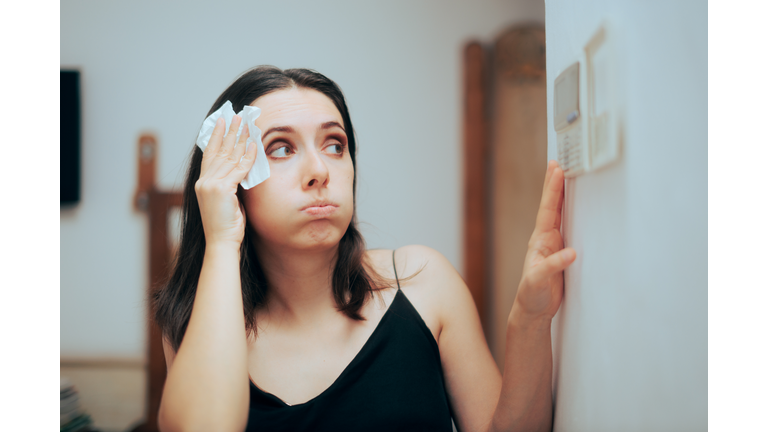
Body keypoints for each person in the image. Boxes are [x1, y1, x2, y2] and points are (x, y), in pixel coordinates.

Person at [153, 66, 576, 432]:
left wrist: (531, 320)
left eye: (334, 145)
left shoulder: (425, 284)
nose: (320, 171)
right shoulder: (196, 321)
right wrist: (223, 238)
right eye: (280, 148)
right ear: (233, 178)